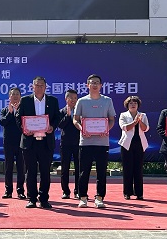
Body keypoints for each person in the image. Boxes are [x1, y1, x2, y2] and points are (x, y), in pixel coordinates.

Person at [16, 76, 61, 209]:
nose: (39, 87)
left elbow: (57, 117)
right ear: (32, 87)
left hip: (46, 142)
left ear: (45, 87)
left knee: (45, 172)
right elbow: (18, 118)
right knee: (31, 172)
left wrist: (52, 126)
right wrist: (24, 129)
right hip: (30, 141)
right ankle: (32, 199)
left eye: (42, 85)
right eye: (37, 85)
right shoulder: (25, 100)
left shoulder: (52, 101)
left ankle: (44, 199)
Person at [73, 74, 116, 209]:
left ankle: (99, 198)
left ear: (101, 85)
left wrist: (107, 129)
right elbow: (75, 119)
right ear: (87, 85)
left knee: (101, 171)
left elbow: (111, 120)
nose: (95, 85)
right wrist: (82, 129)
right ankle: (83, 198)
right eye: (92, 82)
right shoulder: (82, 101)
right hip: (86, 142)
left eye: (97, 82)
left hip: (102, 142)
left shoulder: (107, 101)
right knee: (83, 171)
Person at [118, 95, 149, 200]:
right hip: (127, 144)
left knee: (138, 169)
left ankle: (139, 193)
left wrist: (139, 121)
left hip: (140, 144)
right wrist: (134, 122)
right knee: (127, 168)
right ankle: (127, 192)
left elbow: (145, 129)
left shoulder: (143, 115)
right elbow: (125, 128)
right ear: (127, 105)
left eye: (135, 103)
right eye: (131, 103)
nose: (133, 105)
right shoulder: (123, 115)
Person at [0, 87, 26, 199]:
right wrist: (10, 113)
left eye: (17, 94)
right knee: (8, 167)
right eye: (13, 94)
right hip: (9, 142)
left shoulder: (24, 109)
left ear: (20, 96)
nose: (15, 96)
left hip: (21, 141)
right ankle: (8, 190)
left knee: (21, 167)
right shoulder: (5, 110)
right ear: (9, 97)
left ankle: (20, 191)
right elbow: (2, 122)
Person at [58, 89, 80, 199]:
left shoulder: (79, 111)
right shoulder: (61, 111)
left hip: (78, 142)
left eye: (75, 98)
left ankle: (78, 191)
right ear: (66, 99)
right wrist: (67, 115)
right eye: (71, 98)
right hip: (65, 143)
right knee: (65, 168)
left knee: (79, 167)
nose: (73, 100)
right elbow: (60, 125)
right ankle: (66, 191)